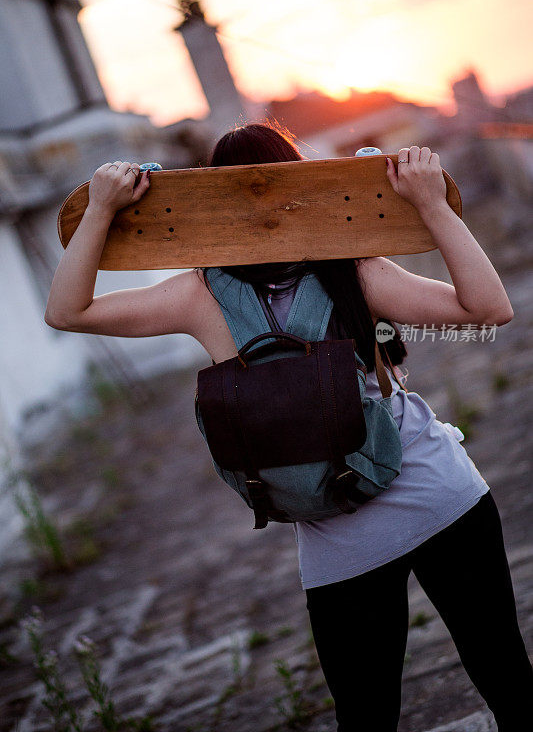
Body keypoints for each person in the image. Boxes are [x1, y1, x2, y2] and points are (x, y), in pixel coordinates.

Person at [45, 123, 533, 731]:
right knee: (507, 678)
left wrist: (101, 209)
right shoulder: (353, 270)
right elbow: (489, 308)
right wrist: (431, 204)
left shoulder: (199, 294)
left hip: (338, 531)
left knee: (366, 717)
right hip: (441, 495)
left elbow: (68, 311)